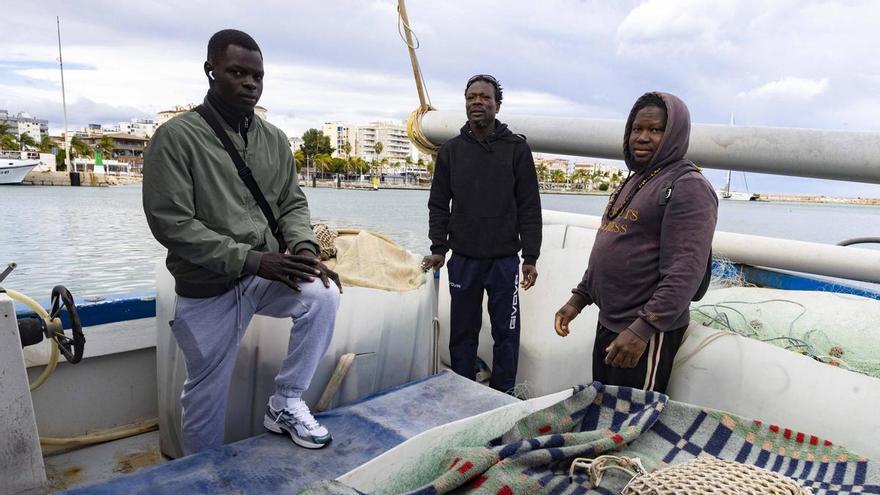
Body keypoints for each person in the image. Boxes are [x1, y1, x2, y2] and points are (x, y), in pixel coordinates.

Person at [143, 29, 342, 454]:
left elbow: (292, 203)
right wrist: (253, 261)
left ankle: (286, 401)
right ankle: (201, 472)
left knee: (322, 295)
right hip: (208, 285)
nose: (250, 83)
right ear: (210, 71)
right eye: (237, 72)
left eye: (258, 75)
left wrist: (305, 252)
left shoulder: (273, 139)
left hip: (263, 274)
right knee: (206, 392)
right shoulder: (176, 138)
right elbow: (171, 223)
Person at [554, 92, 717, 393]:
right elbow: (611, 244)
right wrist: (578, 299)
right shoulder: (636, 179)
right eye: (636, 129)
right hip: (611, 323)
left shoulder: (688, 186)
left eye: (655, 130)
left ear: (673, 134)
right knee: (604, 412)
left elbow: (685, 272)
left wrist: (642, 330)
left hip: (644, 334)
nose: (642, 137)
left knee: (632, 423)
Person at [422, 74, 542, 394]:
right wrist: (438, 247)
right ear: (465, 103)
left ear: (497, 105)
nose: (478, 102)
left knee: (506, 333)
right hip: (463, 260)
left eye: (485, 97)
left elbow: (530, 206)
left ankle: (503, 396)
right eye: (471, 97)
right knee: (462, 333)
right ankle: (462, 393)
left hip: (503, 261)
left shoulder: (517, 149)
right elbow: (438, 204)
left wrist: (530, 256)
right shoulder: (450, 151)